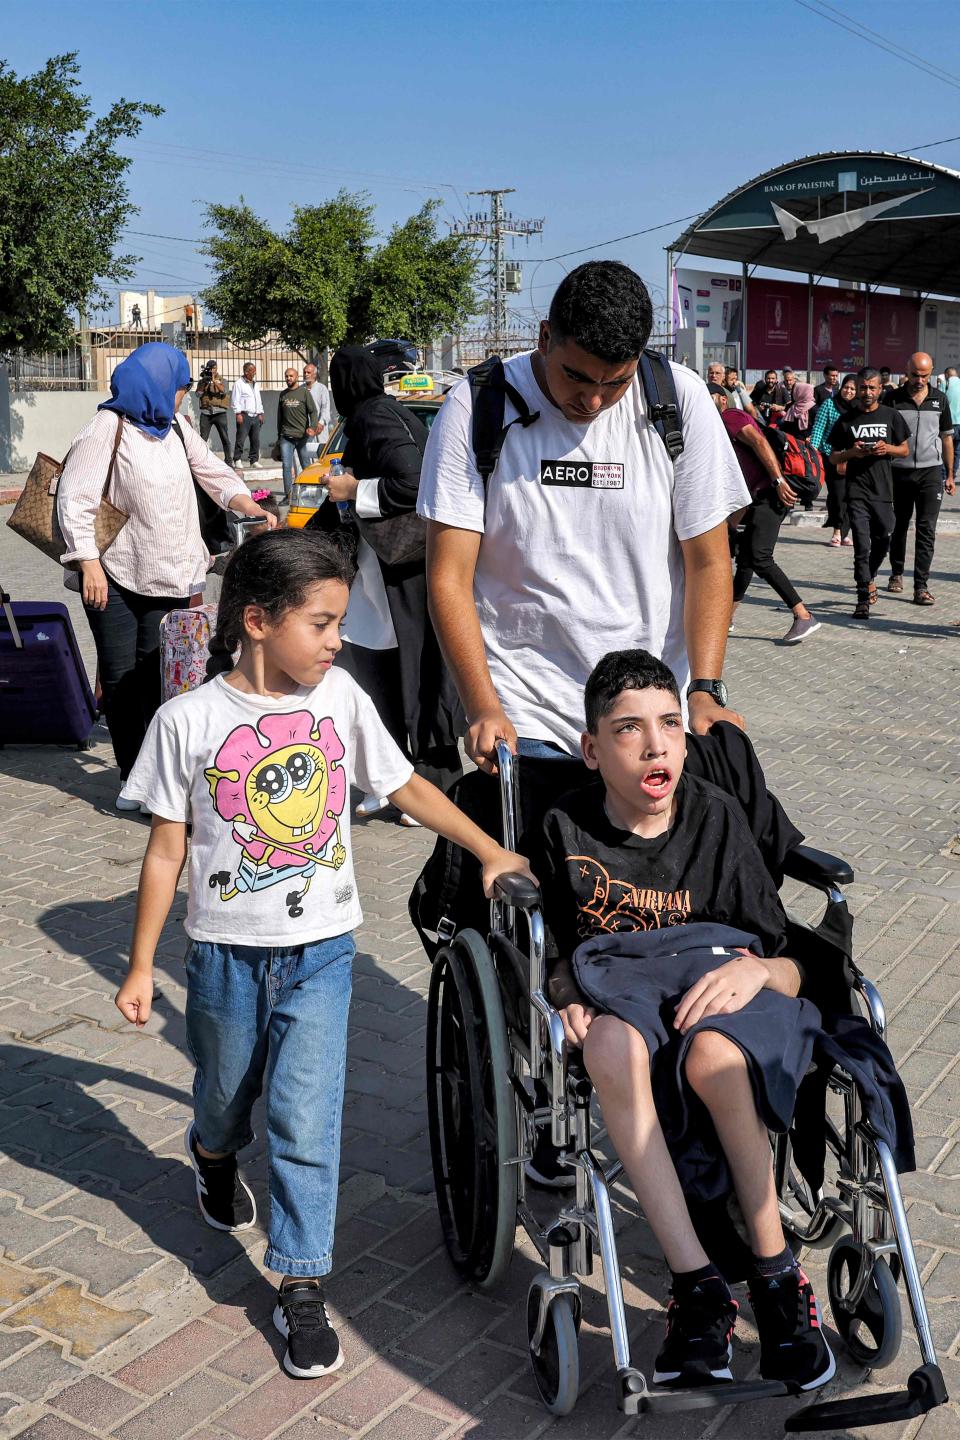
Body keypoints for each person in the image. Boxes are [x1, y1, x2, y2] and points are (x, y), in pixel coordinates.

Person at [113, 527, 533, 1383]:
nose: (338, 641)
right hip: (225, 955)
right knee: (226, 1097)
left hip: (323, 952)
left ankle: (300, 1281)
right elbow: (166, 851)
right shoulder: (188, 721)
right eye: (323, 623)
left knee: (306, 1120)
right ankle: (213, 1152)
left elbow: (405, 786)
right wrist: (138, 965)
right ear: (258, 621)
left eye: (340, 623)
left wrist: (489, 850)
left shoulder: (338, 697)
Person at [537, 648, 835, 1393]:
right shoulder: (564, 826)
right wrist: (565, 989)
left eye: (670, 724)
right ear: (592, 749)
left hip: (723, 983)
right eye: (629, 728)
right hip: (626, 986)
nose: (655, 743)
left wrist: (755, 972)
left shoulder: (716, 815)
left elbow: (778, 946)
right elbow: (563, 940)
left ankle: (776, 1277)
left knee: (713, 1059)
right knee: (606, 1042)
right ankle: (696, 1287)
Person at [419, 260, 751, 784]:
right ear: (546, 337)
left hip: (648, 717)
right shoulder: (478, 404)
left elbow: (709, 561)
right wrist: (481, 706)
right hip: (528, 711)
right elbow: (448, 575)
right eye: (576, 376)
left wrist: (705, 690)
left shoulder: (677, 400)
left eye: (615, 383)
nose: (592, 400)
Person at [56, 343, 275, 807]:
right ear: (153, 386)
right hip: (113, 574)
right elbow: (74, 500)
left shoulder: (176, 427)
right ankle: (131, 776)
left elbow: (212, 471)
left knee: (165, 675)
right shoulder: (106, 429)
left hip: (172, 571)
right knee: (120, 678)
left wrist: (246, 504)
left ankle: (163, 772)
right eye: (179, 388)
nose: (183, 397)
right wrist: (87, 562)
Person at [308, 344, 464, 822]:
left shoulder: (376, 417)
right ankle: (395, 780)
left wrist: (355, 489)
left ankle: (434, 788)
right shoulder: (375, 413)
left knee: (419, 676)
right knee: (379, 669)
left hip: (406, 571)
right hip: (384, 577)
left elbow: (415, 484)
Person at [709, 385, 819, 645]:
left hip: (772, 492)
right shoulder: (717, 427)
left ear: (722, 399)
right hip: (759, 495)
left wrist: (779, 481)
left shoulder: (730, 417)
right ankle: (727, 619)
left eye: (708, 396)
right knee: (746, 558)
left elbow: (758, 442)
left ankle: (803, 615)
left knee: (759, 557)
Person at [828, 368, 910, 620]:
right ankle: (862, 597)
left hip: (883, 489)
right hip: (856, 490)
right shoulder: (846, 419)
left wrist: (888, 448)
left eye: (872, 388)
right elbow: (833, 456)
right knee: (861, 545)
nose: (867, 392)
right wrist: (851, 453)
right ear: (857, 388)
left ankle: (870, 576)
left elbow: (905, 450)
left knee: (884, 536)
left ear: (880, 389)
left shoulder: (891, 416)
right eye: (863, 388)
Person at [887, 352, 955, 606]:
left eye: (925, 375)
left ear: (932, 372)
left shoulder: (940, 399)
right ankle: (896, 573)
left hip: (930, 473)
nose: (919, 380)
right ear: (907, 370)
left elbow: (947, 437)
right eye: (915, 375)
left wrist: (949, 474)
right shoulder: (893, 399)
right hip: (899, 472)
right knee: (900, 525)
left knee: (926, 530)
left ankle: (921, 586)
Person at [810, 374, 857, 546]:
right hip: (832, 457)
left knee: (852, 497)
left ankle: (845, 532)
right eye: (846, 387)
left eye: (853, 389)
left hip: (854, 458)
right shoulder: (829, 404)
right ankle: (837, 530)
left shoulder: (859, 408)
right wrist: (813, 451)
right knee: (838, 495)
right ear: (841, 387)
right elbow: (818, 429)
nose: (849, 391)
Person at [277, 367, 320, 503]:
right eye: (286, 376)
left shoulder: (304, 393)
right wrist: (279, 437)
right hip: (286, 437)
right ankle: (288, 495)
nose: (288, 378)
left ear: (296, 377)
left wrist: (312, 427)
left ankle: (310, 493)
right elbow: (279, 417)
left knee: (306, 465)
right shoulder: (283, 394)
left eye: (291, 376)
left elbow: (313, 412)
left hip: (302, 437)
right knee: (286, 466)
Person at [231, 362, 265, 469]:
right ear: (246, 372)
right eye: (252, 371)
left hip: (255, 416)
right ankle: (237, 459)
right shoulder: (239, 384)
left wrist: (260, 413)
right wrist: (238, 413)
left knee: (255, 439)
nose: (254, 373)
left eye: (254, 370)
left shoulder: (255, 384)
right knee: (241, 439)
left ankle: (254, 460)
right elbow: (235, 400)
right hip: (244, 415)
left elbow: (258, 399)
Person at [197, 361, 231, 461]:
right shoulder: (203, 381)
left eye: (214, 368)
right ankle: (200, 461)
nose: (212, 371)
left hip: (219, 413)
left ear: (216, 369)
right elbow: (198, 394)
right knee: (202, 439)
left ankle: (229, 461)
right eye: (210, 369)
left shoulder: (222, 380)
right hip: (206, 413)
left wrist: (214, 381)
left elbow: (224, 391)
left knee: (225, 438)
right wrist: (204, 383)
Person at [303, 362, 332, 454]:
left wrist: (321, 423)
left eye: (308, 372)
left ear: (315, 375)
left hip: (320, 429)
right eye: (304, 372)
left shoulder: (322, 389)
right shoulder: (300, 389)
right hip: (304, 429)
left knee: (320, 454)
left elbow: (325, 407)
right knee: (305, 456)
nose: (306, 374)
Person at [946, 365, 960, 484]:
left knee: (946, 448)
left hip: (950, 423)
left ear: (947, 375)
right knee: (957, 451)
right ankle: (953, 474)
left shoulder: (946, 383)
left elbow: (942, 399)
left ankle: (944, 474)